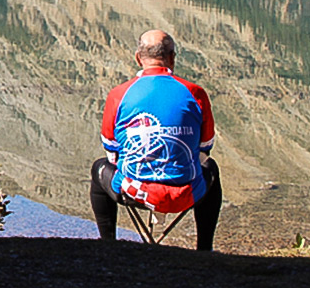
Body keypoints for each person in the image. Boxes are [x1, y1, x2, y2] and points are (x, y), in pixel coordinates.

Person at [89, 29, 222, 249]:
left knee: (99, 167)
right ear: (172, 58)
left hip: (134, 193)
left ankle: (108, 245)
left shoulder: (119, 94)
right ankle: (204, 249)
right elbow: (206, 148)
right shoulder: (195, 93)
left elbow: (111, 152)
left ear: (138, 58)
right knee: (212, 169)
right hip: (186, 194)